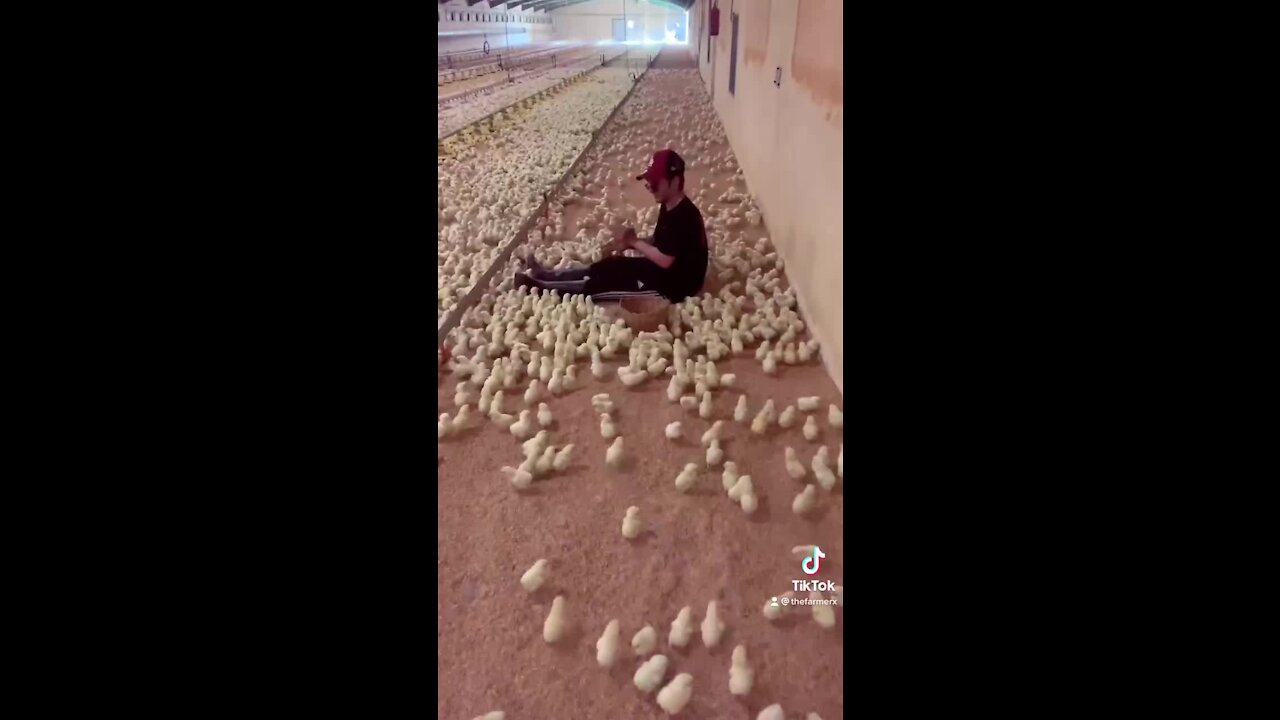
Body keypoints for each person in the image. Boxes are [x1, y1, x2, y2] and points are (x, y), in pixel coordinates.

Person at [515, 149, 708, 303]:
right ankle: (547, 275)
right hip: (664, 269)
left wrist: (635, 242)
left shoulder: (684, 217)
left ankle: (542, 288)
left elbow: (666, 260)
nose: (650, 188)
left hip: (676, 284)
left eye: (655, 183)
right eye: (649, 183)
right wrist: (632, 243)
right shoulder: (670, 204)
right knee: (612, 265)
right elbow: (662, 241)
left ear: (674, 182)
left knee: (608, 284)